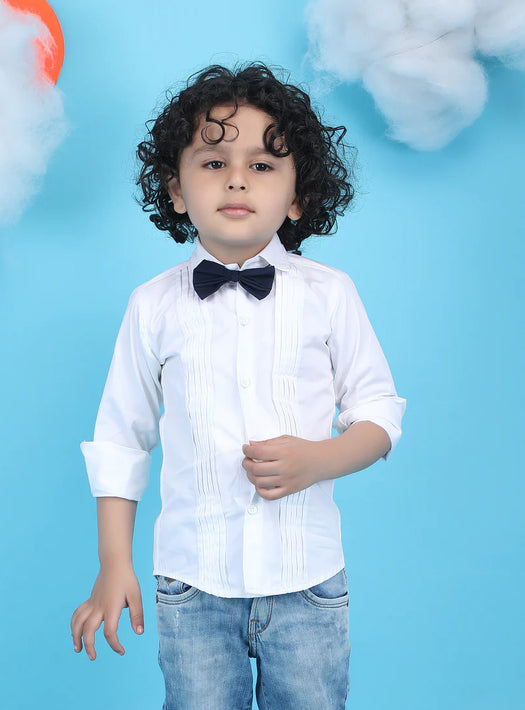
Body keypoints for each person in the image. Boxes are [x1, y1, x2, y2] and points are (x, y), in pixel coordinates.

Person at [70, 61, 406, 710]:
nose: (236, 179)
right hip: (192, 584)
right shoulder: (151, 306)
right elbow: (120, 440)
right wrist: (114, 564)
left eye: (262, 164)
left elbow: (380, 412)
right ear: (175, 189)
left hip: (307, 580)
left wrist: (321, 458)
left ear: (298, 195)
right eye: (212, 162)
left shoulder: (330, 295)